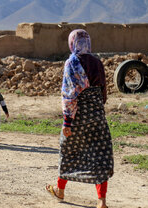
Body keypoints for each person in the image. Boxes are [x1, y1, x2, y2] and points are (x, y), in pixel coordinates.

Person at [46, 29, 114, 208]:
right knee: (100, 154)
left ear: (72, 43)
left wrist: (67, 122)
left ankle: (60, 190)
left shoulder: (71, 63)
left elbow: (69, 95)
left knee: (68, 150)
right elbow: (104, 93)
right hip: (97, 115)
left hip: (78, 116)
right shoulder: (98, 62)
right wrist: (96, 108)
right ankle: (101, 201)